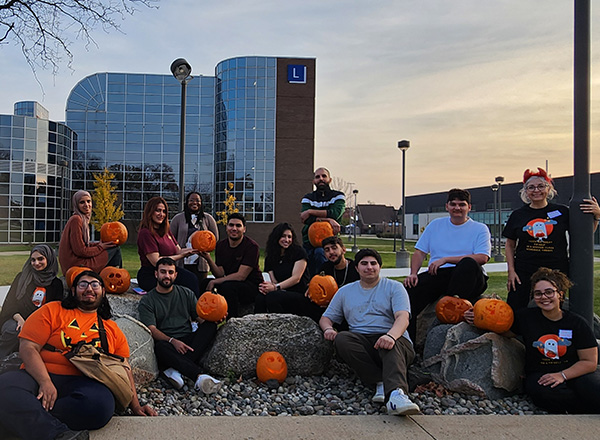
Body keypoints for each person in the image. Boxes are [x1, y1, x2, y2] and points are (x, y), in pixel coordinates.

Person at [0, 270, 156, 440]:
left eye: (95, 284)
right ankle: (57, 434)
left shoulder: (111, 329)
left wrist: (136, 406)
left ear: (103, 292)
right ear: (73, 291)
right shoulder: (52, 310)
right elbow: (28, 347)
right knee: (5, 386)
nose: (89, 288)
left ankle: (21, 417)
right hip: (39, 374)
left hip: (84, 383)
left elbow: (124, 367)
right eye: (83, 284)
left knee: (101, 406)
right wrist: (45, 382)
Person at [466, 268, 600, 414]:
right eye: (538, 293)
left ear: (560, 294)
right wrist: (477, 318)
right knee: (545, 394)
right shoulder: (526, 318)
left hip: (575, 371)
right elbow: (503, 329)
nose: (544, 297)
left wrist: (562, 375)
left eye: (549, 292)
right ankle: (584, 408)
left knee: (592, 388)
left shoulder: (576, 323)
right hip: (541, 374)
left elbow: (589, 362)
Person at [319, 249, 420, 416]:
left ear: (380, 267)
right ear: (357, 268)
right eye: (364, 263)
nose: (369, 267)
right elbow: (326, 318)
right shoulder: (345, 291)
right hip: (363, 341)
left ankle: (396, 395)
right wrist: (328, 329)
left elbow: (403, 317)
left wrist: (390, 336)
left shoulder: (395, 287)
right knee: (342, 339)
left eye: (373, 263)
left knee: (390, 346)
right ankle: (379, 380)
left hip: (395, 339)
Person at [503, 168, 600, 311]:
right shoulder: (518, 215)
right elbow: (510, 245)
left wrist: (596, 216)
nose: (536, 190)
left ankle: (550, 333)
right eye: (531, 187)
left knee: (551, 307)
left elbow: (583, 236)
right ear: (525, 192)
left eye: (541, 186)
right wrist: (511, 270)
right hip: (524, 269)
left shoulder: (562, 212)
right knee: (516, 309)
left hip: (555, 268)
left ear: (549, 189)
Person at [403, 188, 491, 342]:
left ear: (469, 207)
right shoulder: (435, 225)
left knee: (468, 263)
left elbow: (482, 257)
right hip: (440, 274)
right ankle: (408, 343)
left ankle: (459, 306)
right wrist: (413, 273)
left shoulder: (479, 228)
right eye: (453, 204)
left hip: (470, 276)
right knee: (408, 293)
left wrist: (446, 259)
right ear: (447, 206)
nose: (457, 208)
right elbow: (420, 252)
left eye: (462, 205)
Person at [138, 258, 222, 394]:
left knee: (210, 326)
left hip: (188, 341)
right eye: (163, 272)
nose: (167, 276)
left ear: (175, 275)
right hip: (167, 343)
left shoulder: (186, 293)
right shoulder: (148, 300)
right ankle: (198, 376)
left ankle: (176, 369)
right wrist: (172, 341)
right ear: (156, 274)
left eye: (171, 272)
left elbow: (199, 318)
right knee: (160, 348)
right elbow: (151, 329)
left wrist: (215, 319)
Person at [0, 245, 64, 358]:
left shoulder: (56, 284)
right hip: (17, 318)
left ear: (49, 259)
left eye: (40, 259)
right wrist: (20, 320)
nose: (36, 263)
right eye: (33, 260)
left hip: (42, 322)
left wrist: (35, 324)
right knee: (14, 331)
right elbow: (9, 304)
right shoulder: (22, 277)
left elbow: (55, 310)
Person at [199, 213, 263, 317]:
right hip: (230, 283)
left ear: (244, 229)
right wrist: (208, 258)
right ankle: (203, 318)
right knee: (205, 283)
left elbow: (241, 276)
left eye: (238, 226)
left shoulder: (251, 247)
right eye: (231, 225)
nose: (234, 228)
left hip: (251, 286)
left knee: (227, 287)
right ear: (226, 227)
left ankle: (231, 321)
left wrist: (215, 281)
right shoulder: (220, 245)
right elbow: (219, 274)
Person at [136, 196, 199, 296]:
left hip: (169, 271)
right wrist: (182, 256)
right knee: (183, 286)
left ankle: (193, 309)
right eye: (158, 211)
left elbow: (178, 250)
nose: (161, 214)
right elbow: (156, 261)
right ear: (150, 212)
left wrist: (194, 250)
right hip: (152, 274)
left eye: (164, 211)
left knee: (192, 279)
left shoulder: (166, 231)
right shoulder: (146, 233)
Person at [254, 223, 315, 319]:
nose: (287, 240)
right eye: (283, 236)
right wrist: (267, 288)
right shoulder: (271, 257)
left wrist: (275, 288)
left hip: (299, 294)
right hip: (281, 291)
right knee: (260, 298)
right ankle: (259, 326)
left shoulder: (299, 252)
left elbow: (296, 278)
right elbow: (272, 279)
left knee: (273, 297)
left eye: (289, 237)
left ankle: (282, 326)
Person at [58, 190, 122, 274]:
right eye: (82, 202)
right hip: (77, 265)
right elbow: (81, 251)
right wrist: (100, 247)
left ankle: (108, 276)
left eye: (88, 201)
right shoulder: (76, 220)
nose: (86, 205)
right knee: (115, 248)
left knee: (111, 246)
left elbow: (83, 245)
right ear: (76, 205)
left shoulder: (82, 219)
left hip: (79, 262)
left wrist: (99, 244)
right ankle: (113, 275)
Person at [300, 167, 345, 275]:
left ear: (330, 179)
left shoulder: (338, 196)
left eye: (324, 176)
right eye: (317, 177)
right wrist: (328, 219)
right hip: (308, 240)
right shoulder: (308, 198)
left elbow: (335, 213)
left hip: (330, 240)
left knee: (320, 254)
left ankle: (323, 282)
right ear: (313, 181)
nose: (321, 179)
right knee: (301, 259)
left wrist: (311, 211)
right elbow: (306, 219)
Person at [170, 191, 219, 282]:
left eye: (198, 200)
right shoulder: (178, 218)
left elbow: (214, 238)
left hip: (200, 263)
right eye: (191, 200)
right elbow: (170, 238)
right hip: (182, 261)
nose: (195, 203)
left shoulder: (208, 218)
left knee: (199, 288)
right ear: (187, 202)